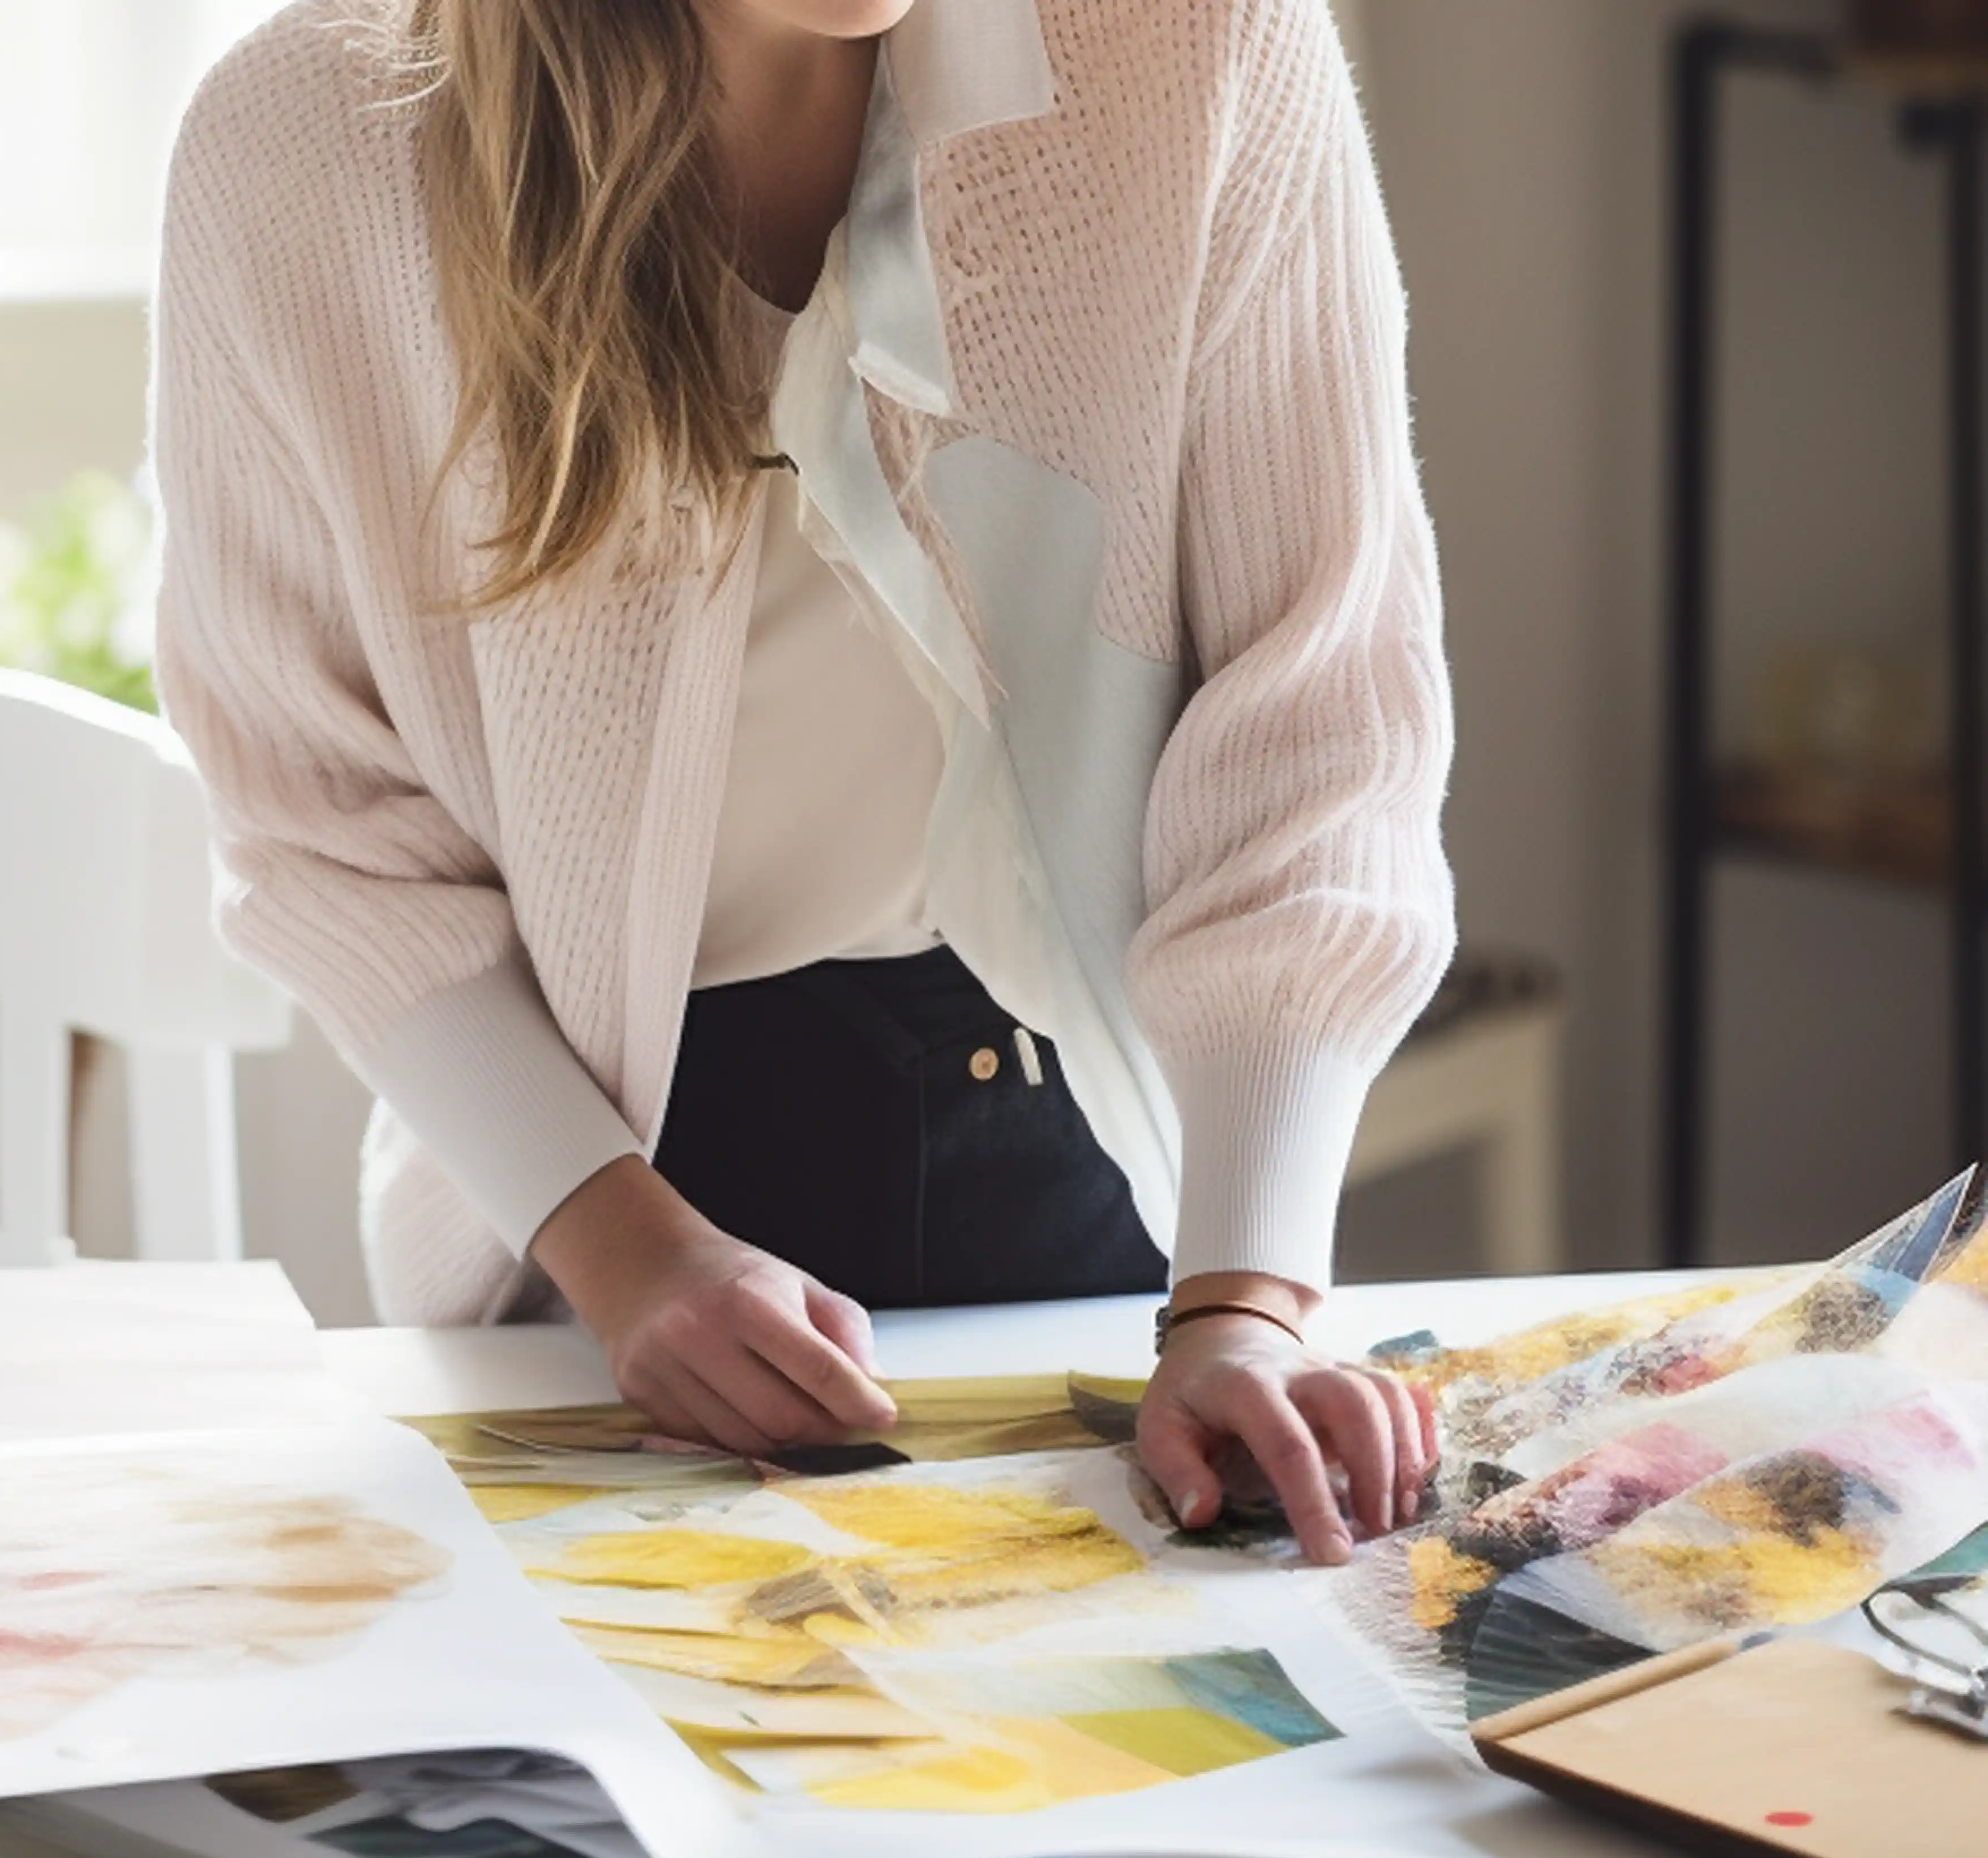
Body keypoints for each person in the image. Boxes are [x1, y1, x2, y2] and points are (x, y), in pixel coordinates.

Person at [152, 0, 1456, 1566]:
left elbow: (1317, 725)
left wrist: (1250, 1297)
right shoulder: (299, 142)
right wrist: (623, 1253)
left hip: (1112, 1201)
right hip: (583, 1242)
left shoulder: (1204, 41)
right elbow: (319, 824)